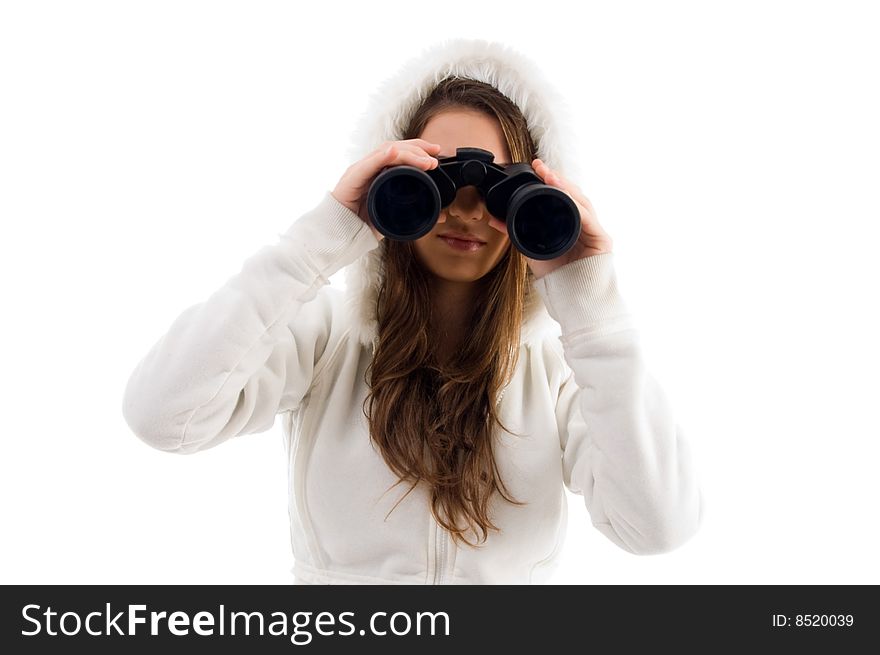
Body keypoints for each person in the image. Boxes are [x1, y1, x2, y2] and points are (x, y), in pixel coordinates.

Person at [122, 38, 703, 585]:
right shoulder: (327, 338)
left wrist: (591, 303)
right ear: (393, 180)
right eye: (438, 179)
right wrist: (324, 235)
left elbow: (656, 528)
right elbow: (162, 416)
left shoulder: (557, 371)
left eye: (503, 188)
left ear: (537, 194)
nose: (469, 210)